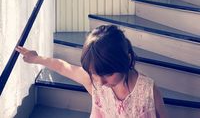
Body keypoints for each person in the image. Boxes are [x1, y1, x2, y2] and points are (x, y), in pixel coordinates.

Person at [16, 25, 167, 118]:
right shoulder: (94, 81)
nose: (100, 82)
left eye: (107, 74)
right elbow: (63, 67)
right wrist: (36, 58)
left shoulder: (147, 90)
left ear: (126, 60)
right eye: (95, 74)